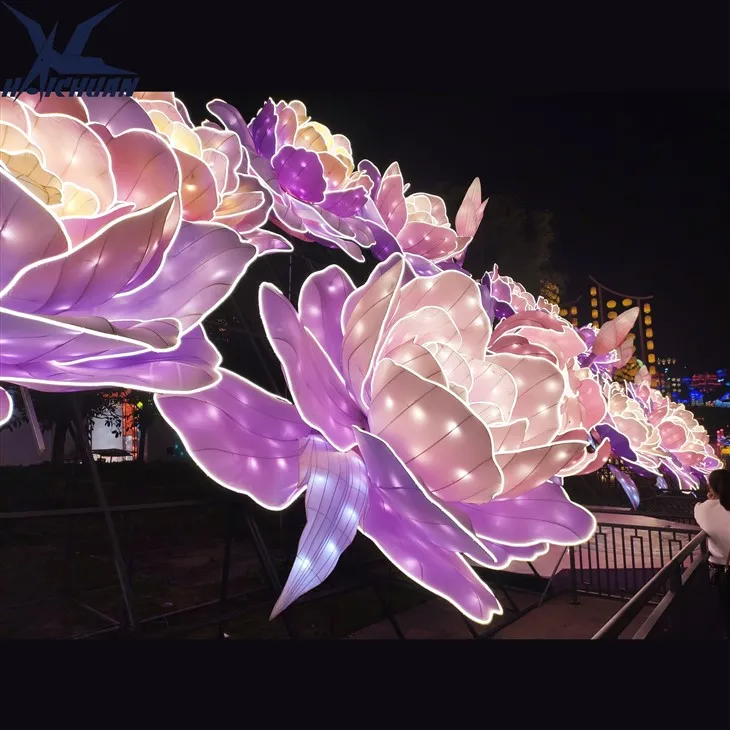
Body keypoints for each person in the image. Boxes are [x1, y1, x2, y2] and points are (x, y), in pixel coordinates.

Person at [694, 469, 730, 638]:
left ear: (711, 488)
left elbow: (700, 509)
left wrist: (711, 500)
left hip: (722, 571)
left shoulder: (703, 510)